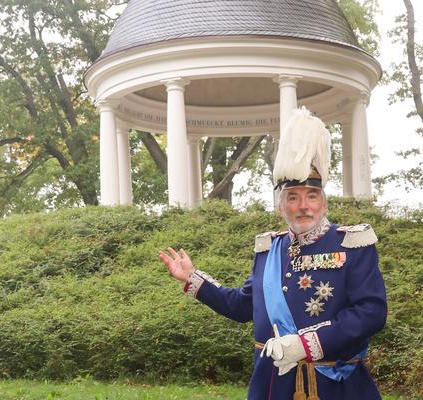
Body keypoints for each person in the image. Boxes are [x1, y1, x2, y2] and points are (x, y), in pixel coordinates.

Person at [159, 108, 387, 400]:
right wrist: (193, 279)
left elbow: (371, 313)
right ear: (281, 207)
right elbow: (243, 306)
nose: (303, 206)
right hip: (273, 386)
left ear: (324, 204)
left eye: (312, 196)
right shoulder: (270, 249)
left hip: (335, 386)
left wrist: (307, 344)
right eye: (293, 197)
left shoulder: (352, 244)